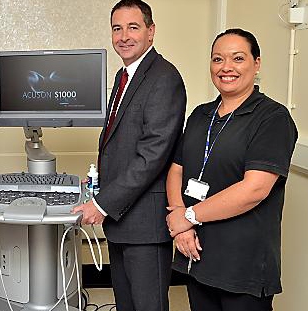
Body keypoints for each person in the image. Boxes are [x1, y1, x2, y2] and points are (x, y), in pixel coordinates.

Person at [166, 28, 298, 311]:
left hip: (243, 268)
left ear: (256, 63)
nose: (226, 67)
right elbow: (177, 169)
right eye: (217, 59)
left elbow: (254, 189)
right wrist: (180, 223)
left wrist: (188, 215)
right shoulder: (201, 115)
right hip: (198, 257)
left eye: (238, 58)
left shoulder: (273, 118)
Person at [71, 1, 187, 310]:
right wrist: (101, 181)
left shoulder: (164, 78)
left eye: (133, 27)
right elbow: (123, 142)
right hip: (123, 222)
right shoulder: (126, 76)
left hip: (145, 226)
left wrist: (101, 202)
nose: (124, 36)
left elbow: (152, 155)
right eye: (117, 28)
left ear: (151, 31)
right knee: (126, 305)